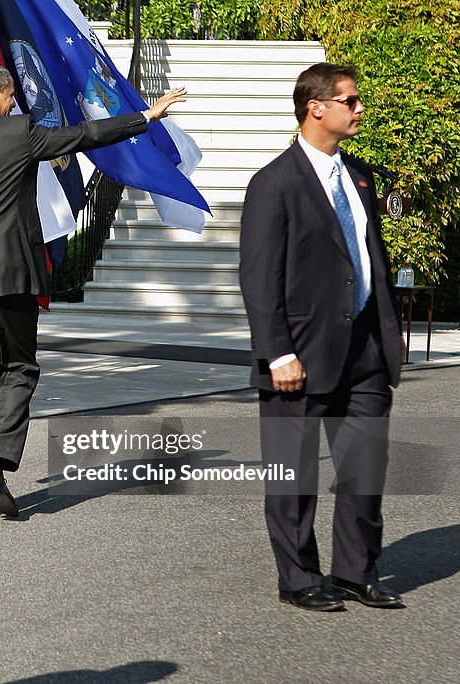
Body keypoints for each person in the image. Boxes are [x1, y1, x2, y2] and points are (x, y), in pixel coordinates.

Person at [0, 63, 186, 523]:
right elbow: (82, 136)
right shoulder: (19, 133)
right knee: (19, 367)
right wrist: (145, 117)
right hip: (8, 272)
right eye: (10, 96)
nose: (13, 103)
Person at [239, 62, 404, 612]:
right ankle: (299, 577)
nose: (359, 109)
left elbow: (367, 259)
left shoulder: (359, 177)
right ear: (317, 107)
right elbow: (260, 278)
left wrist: (387, 336)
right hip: (299, 355)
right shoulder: (274, 183)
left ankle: (357, 572)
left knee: (365, 469)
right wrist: (277, 352)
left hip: (366, 351)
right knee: (294, 475)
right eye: (351, 101)